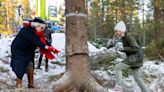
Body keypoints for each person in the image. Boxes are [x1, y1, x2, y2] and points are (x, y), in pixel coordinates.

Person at [10, 18, 58, 88]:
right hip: (19, 50)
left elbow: (43, 41)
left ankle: (31, 83)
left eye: (43, 28)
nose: (43, 30)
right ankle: (18, 82)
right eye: (41, 28)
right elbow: (36, 41)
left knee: (30, 64)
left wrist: (51, 47)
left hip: (28, 50)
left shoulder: (37, 33)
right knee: (20, 66)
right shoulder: (26, 30)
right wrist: (47, 47)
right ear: (36, 26)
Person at [112, 21, 149, 92]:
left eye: (116, 31)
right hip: (137, 57)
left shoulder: (128, 36)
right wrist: (120, 49)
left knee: (118, 67)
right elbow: (129, 48)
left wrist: (123, 49)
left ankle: (118, 88)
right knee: (137, 77)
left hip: (135, 57)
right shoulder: (124, 38)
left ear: (121, 30)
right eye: (115, 31)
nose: (115, 33)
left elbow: (135, 48)